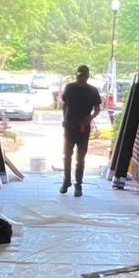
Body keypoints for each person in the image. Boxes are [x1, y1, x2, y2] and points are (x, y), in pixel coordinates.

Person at [59, 65, 102, 196]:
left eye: (83, 76)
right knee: (67, 156)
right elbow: (64, 105)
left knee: (81, 158)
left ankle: (78, 185)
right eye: (78, 76)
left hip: (84, 127)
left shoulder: (92, 91)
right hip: (70, 126)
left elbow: (97, 109)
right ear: (76, 75)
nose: (80, 78)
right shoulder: (70, 88)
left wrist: (89, 119)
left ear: (87, 76)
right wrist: (64, 119)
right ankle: (66, 181)